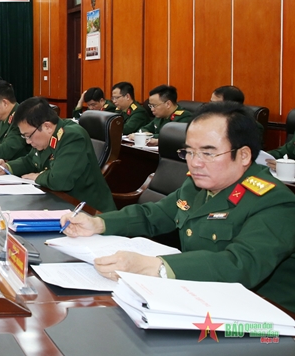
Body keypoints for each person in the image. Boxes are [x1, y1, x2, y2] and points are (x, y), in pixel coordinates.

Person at [62, 102, 295, 313]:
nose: (195, 163)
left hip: (262, 314)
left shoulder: (273, 201)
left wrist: (156, 266)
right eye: (189, 152)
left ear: (243, 155)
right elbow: (154, 214)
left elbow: (241, 264)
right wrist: (98, 223)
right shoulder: (198, 185)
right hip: (201, 298)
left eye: (208, 153)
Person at [0, 96, 115, 212]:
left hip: (89, 211)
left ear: (47, 127)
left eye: (28, 136)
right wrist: (7, 167)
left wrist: (37, 177)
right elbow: (31, 160)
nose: (28, 141)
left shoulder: (72, 137)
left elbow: (60, 181)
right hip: (60, 202)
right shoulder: (46, 137)